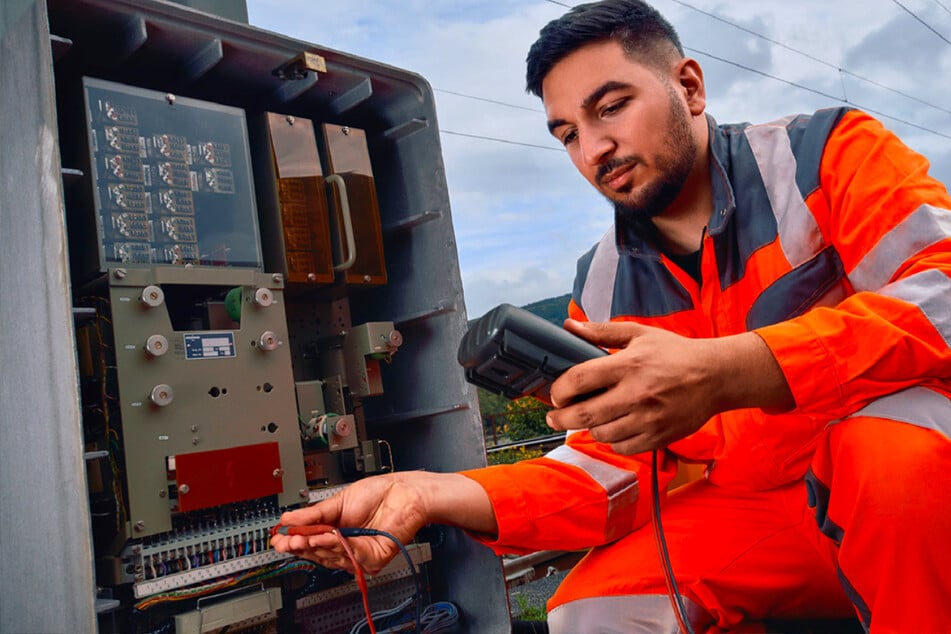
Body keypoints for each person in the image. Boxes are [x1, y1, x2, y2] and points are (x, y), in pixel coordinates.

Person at [272, 1, 951, 631]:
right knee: (594, 610)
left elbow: (941, 295)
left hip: (910, 500)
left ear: (688, 86)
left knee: (887, 454)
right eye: (567, 133)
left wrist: (729, 371)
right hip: (766, 515)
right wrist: (431, 492)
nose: (592, 150)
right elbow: (605, 472)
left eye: (611, 108)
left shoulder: (823, 156)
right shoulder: (599, 285)